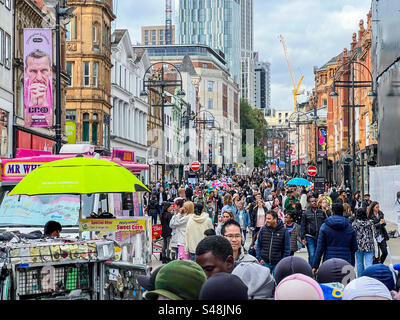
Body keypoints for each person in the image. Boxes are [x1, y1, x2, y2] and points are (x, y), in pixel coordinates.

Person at [311, 203, 358, 274]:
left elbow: (319, 248)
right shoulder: (349, 227)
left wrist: (315, 266)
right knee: (345, 284)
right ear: (343, 212)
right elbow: (354, 248)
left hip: (329, 262)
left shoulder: (325, 226)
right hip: (345, 262)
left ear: (332, 212)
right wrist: (352, 264)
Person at [24, 49, 53, 126]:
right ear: (26, 71)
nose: (39, 78)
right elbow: (24, 125)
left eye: (44, 70)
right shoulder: (22, 87)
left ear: (50, 71)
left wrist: (43, 103)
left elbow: (53, 126)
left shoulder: (54, 89)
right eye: (33, 71)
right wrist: (32, 104)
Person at [300, 197, 327, 266]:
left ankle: (315, 268)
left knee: (318, 254)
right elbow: (303, 226)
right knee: (312, 254)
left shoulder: (321, 212)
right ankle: (312, 270)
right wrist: (302, 238)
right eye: (312, 201)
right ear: (309, 203)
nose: (314, 203)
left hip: (320, 236)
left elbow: (326, 223)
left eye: (315, 201)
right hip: (309, 236)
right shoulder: (305, 213)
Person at [352, 207, 376, 277]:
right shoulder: (370, 223)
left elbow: (353, 235)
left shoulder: (354, 224)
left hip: (358, 245)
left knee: (359, 263)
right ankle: (369, 277)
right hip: (369, 245)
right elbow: (375, 233)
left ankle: (360, 278)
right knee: (369, 263)